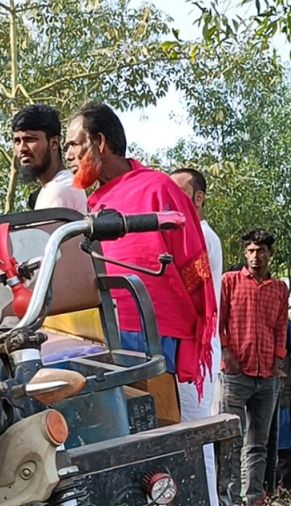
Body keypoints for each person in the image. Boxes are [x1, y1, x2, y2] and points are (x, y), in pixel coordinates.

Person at [63, 105, 217, 407]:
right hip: (105, 334)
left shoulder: (159, 187)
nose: (67, 154)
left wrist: (191, 336)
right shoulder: (92, 203)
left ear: (100, 142)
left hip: (153, 335)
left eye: (74, 144)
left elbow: (193, 267)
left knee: (157, 429)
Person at [220, 230, 289, 506]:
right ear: (244, 254)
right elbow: (219, 320)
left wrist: (277, 362)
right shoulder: (230, 281)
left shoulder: (279, 288)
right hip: (236, 373)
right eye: (250, 251)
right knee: (231, 439)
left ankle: (254, 502)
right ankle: (228, 501)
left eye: (260, 251)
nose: (255, 256)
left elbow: (281, 327)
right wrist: (226, 352)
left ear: (270, 254)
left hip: (267, 377)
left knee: (258, 444)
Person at [169, 167, 223, 506]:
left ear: (198, 198)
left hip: (195, 352)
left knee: (195, 431)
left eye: (179, 192)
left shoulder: (202, 236)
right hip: (182, 348)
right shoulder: (184, 236)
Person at [12, 104, 87, 213]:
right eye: (17, 141)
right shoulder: (65, 183)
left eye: (30, 139)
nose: (22, 148)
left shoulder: (58, 189)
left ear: (54, 143)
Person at [265, 319, 291, 499]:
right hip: (276, 388)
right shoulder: (284, 324)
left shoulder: (284, 324)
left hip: (271, 388)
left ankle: (275, 490)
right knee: (280, 443)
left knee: (270, 442)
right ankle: (281, 490)